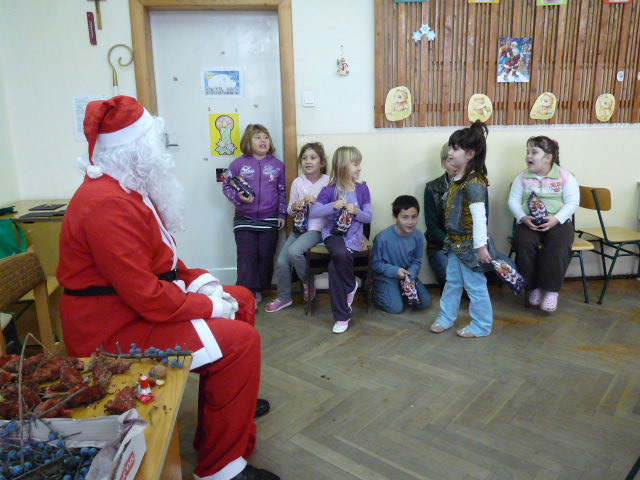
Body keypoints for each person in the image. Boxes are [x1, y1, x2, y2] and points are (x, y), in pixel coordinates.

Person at [57, 96, 278, 480]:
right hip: (110, 330)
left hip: (128, 310)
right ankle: (220, 468)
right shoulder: (105, 203)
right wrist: (209, 306)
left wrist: (205, 285)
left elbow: (163, 264)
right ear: (136, 149)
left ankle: (231, 403)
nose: (162, 150)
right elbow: (147, 296)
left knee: (240, 298)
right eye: (155, 141)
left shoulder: (126, 189)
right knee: (241, 343)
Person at [429, 120, 494, 338]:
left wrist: (481, 246)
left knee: (475, 286)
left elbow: (479, 217)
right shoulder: (458, 178)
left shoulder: (474, 183)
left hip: (469, 246)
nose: (450, 152)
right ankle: (446, 317)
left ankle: (482, 325)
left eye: (455, 148)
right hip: (455, 244)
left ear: (469, 154)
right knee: (453, 283)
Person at [508, 136, 578, 312]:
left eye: (534, 152)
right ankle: (533, 288)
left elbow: (572, 203)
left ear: (548, 157)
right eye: (527, 152)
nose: (528, 156)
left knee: (559, 245)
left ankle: (551, 291)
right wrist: (523, 218)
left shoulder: (565, 176)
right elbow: (513, 201)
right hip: (529, 222)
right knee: (524, 244)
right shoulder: (522, 177)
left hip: (558, 222)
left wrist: (556, 219)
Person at [309, 146, 372, 334]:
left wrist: (357, 211)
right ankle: (350, 285)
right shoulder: (329, 190)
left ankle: (342, 317)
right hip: (333, 234)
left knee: (333, 268)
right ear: (343, 165)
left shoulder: (362, 190)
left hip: (354, 236)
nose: (359, 168)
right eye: (355, 164)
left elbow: (368, 217)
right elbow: (314, 212)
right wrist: (332, 206)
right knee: (339, 253)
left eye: (359, 164)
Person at [223, 124, 286, 305]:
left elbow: (282, 190)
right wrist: (239, 198)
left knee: (266, 256)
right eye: (258, 137)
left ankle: (259, 289)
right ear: (248, 141)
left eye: (266, 137)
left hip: (270, 217)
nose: (263, 141)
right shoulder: (237, 164)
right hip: (244, 218)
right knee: (246, 256)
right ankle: (246, 292)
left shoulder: (277, 165)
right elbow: (226, 186)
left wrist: (282, 214)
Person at [266, 142, 330, 312]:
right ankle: (284, 297)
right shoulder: (297, 182)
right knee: (281, 262)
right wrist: (294, 206)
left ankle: (308, 282)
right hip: (299, 228)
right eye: (304, 158)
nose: (308, 161)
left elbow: (332, 210)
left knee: (294, 252)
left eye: (313, 158)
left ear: (322, 162)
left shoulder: (328, 182)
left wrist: (316, 203)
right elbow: (289, 210)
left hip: (317, 229)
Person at [372, 195, 432, 313]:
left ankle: (399, 292)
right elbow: (376, 264)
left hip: (407, 276)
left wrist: (410, 275)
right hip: (387, 276)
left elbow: (416, 261)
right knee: (395, 308)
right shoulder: (382, 238)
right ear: (395, 217)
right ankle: (378, 292)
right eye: (405, 217)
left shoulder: (418, 236)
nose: (410, 222)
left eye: (414, 217)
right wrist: (395, 271)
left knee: (424, 302)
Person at [424, 142, 458, 287]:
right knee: (449, 272)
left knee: (508, 267)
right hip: (440, 246)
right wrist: (453, 245)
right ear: (443, 163)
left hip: (469, 245)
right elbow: (432, 227)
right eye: (450, 160)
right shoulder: (431, 188)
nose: (455, 165)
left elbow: (482, 221)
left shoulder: (475, 186)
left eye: (459, 160)